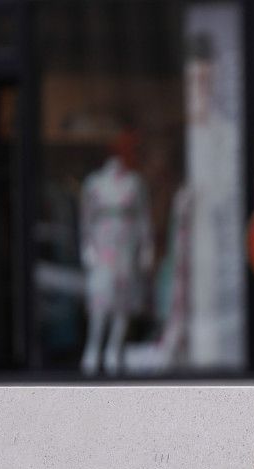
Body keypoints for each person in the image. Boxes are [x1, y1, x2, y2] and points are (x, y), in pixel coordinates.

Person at [78, 127, 154, 376]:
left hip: (127, 246)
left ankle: (113, 349)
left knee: (123, 301)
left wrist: (146, 247)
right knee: (101, 297)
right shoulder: (94, 183)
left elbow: (144, 217)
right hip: (102, 245)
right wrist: (87, 245)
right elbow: (86, 218)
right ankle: (93, 348)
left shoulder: (135, 183)